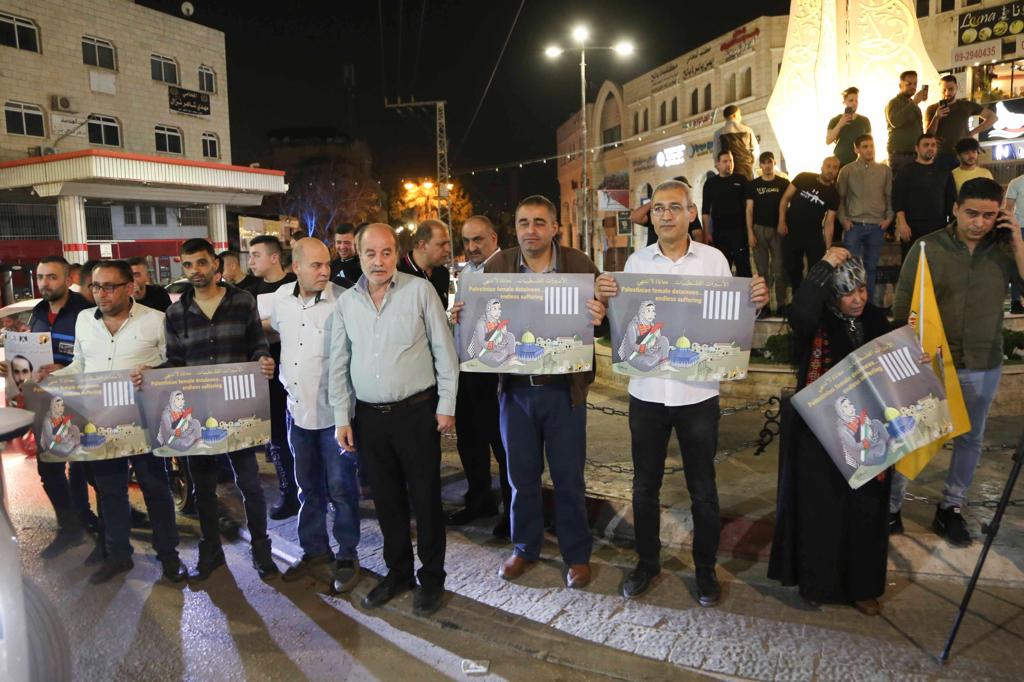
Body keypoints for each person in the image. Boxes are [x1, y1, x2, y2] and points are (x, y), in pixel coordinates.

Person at [595, 179, 769, 605]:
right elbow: (617, 320)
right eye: (658, 208)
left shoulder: (713, 261)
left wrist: (755, 301)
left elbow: (730, 316)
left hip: (697, 395)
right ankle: (647, 563)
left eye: (675, 207)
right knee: (644, 487)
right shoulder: (636, 263)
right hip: (647, 393)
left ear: (691, 213)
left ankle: (705, 570)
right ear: (650, 216)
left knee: (703, 490)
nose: (666, 215)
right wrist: (603, 298)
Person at [452, 195, 607, 591]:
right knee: (520, 476)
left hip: (564, 392)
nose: (531, 230)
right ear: (515, 228)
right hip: (516, 391)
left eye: (539, 222)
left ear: (554, 227)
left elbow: (605, 322)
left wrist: (601, 316)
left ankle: (576, 555)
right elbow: (479, 321)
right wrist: (462, 318)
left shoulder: (579, 265)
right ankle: (524, 547)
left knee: (569, 478)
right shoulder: (498, 266)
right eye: (523, 222)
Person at [328, 223, 458, 616]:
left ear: (397, 254)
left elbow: (444, 350)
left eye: (386, 252)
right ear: (358, 255)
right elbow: (339, 363)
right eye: (370, 253)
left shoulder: (419, 291)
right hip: (370, 419)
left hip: (417, 413)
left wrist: (447, 405)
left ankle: (432, 578)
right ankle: (398, 572)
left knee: (426, 499)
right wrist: (342, 417)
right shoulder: (347, 303)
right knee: (387, 501)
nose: (379, 261)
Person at [133, 238, 279, 581]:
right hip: (196, 414)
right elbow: (176, 361)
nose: (195, 271)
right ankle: (211, 551)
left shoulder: (242, 301)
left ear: (215, 264)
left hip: (239, 409)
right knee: (202, 488)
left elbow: (257, 345)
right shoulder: (176, 313)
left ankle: (262, 551)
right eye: (187, 265)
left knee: (250, 484)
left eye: (201, 262)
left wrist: (263, 360)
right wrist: (154, 373)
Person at [889, 178, 1024, 544]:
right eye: (971, 213)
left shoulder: (1005, 250)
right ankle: (891, 507)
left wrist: (1018, 243)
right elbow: (903, 305)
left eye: (988, 215)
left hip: (982, 361)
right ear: (955, 209)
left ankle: (950, 508)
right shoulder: (928, 247)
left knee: (970, 438)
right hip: (930, 361)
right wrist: (907, 353)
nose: (979, 223)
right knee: (912, 435)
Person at [768, 250, 894, 616]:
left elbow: (891, 359)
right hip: (820, 434)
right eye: (847, 293)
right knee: (821, 510)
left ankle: (863, 588)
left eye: (862, 290)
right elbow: (800, 312)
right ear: (832, 295)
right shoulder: (816, 321)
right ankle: (818, 584)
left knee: (865, 511)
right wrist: (822, 267)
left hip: (867, 433)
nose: (857, 300)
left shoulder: (875, 319)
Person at [53, 259, 186, 584]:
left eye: (110, 287)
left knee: (155, 489)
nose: (101, 293)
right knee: (110, 491)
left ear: (129, 287)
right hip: (101, 422)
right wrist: (51, 379)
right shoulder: (85, 320)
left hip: (145, 421)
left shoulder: (156, 320)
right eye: (96, 286)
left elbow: (177, 363)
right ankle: (118, 556)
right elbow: (80, 364)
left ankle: (169, 556)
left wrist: (156, 372)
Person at [272, 238, 361, 592]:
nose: (326, 271)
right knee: (307, 488)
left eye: (327, 264)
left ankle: (347, 555)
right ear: (296, 267)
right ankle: (314, 550)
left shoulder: (345, 301)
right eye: (316, 265)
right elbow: (274, 334)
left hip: (335, 416)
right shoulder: (281, 300)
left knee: (342, 489)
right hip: (297, 412)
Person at [0, 256, 97, 557]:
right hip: (45, 402)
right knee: (49, 470)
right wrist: (11, 368)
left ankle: (102, 530)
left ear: (68, 279)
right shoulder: (38, 312)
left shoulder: (86, 312)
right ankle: (70, 529)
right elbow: (31, 357)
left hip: (81, 401)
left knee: (89, 469)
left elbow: (98, 357)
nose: (45, 283)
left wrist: (65, 367)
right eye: (41, 277)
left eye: (52, 277)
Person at [448, 215, 511, 537]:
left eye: (478, 239)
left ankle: (512, 511)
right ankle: (479, 499)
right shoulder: (467, 273)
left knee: (502, 445)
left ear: (493, 238)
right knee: (470, 441)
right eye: (467, 240)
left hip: (495, 372)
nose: (472, 246)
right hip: (466, 367)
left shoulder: (508, 269)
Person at [240, 235, 299, 520]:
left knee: (304, 434)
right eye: (249, 255)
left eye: (256, 254)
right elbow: (248, 328)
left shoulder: (296, 285)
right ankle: (289, 492)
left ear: (274, 257)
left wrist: (266, 325)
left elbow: (298, 323)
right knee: (276, 437)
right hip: (266, 371)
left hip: (299, 369)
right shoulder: (248, 292)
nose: (250, 261)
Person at [836, 135, 893, 305]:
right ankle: (853, 305)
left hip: (876, 225)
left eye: (871, 146)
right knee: (852, 268)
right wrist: (843, 219)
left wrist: (889, 218)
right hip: (854, 225)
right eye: (865, 146)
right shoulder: (847, 170)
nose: (869, 150)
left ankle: (868, 307)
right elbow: (840, 198)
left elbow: (889, 196)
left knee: (871, 268)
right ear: (857, 149)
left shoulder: (884, 170)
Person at [778, 157, 841, 295]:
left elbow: (829, 222)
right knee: (792, 267)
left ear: (838, 171)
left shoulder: (834, 195)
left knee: (816, 270)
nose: (831, 170)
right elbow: (785, 198)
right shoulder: (804, 177)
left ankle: (812, 299)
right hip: (792, 231)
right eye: (828, 166)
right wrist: (781, 221)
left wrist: (828, 248)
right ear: (822, 167)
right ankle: (797, 296)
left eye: (835, 167)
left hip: (813, 235)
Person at [893, 134, 956, 261]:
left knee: (936, 262)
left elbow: (952, 200)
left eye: (933, 145)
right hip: (911, 226)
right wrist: (902, 224)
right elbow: (898, 199)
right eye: (926, 145)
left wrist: (952, 225)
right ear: (917, 148)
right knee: (911, 262)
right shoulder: (906, 171)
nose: (930, 148)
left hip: (938, 226)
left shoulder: (944, 171)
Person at [745, 151, 789, 316]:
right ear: (760, 165)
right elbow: (749, 210)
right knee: (762, 271)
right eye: (764, 163)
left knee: (779, 269)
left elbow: (788, 205)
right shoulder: (753, 185)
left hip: (777, 229)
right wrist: (750, 233)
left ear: (774, 163)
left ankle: (782, 304)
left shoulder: (783, 183)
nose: (767, 166)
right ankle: (764, 306)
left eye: (769, 162)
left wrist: (784, 223)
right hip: (759, 230)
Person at [925, 75, 997, 172]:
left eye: (951, 89)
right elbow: (928, 135)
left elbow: (993, 117)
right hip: (940, 155)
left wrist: (971, 133)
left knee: (964, 179)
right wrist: (937, 117)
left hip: (962, 154)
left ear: (956, 87)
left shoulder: (966, 106)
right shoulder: (932, 109)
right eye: (944, 90)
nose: (947, 93)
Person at [702, 150, 751, 276]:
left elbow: (749, 208)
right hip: (720, 234)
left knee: (744, 268)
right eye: (725, 161)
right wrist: (707, 233)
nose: (729, 164)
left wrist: (750, 231)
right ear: (717, 164)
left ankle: (745, 290)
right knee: (722, 269)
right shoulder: (710, 184)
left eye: (731, 161)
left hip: (739, 232)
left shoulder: (741, 180)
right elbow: (705, 211)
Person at [398, 219, 452, 308]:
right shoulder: (397, 273)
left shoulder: (443, 273)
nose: (448, 249)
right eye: (441, 244)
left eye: (448, 243)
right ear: (422, 245)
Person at [636, 176, 703, 247]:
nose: (666, 217)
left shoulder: (687, 209)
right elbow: (635, 217)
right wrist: (656, 200)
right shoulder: (653, 210)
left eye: (675, 208)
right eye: (659, 208)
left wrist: (696, 250)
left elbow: (697, 234)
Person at [885, 70, 928, 176]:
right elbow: (895, 121)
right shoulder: (894, 103)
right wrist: (914, 102)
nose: (913, 87)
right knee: (900, 184)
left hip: (916, 154)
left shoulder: (914, 106)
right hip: (900, 155)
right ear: (900, 85)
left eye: (915, 84)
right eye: (909, 84)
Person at [826, 87, 872, 168]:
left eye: (856, 101)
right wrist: (840, 124)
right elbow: (828, 140)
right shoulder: (835, 120)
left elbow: (869, 144)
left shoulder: (865, 121)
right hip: (839, 163)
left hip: (859, 163)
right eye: (851, 100)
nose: (854, 103)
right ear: (844, 102)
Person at [713, 105, 759, 181]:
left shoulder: (718, 133)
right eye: (739, 114)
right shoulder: (748, 130)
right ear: (734, 115)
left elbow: (716, 154)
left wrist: (719, 167)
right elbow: (756, 150)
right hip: (746, 171)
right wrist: (751, 164)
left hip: (728, 171)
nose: (740, 117)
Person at [1003, 171, 1024, 314]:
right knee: (1017, 264)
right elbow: (1008, 209)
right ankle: (1016, 301)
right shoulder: (1016, 182)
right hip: (1019, 228)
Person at [330, 223, 362, 288]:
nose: (342, 247)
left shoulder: (362, 266)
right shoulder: (332, 265)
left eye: (347, 243)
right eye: (339, 242)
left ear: (356, 243)